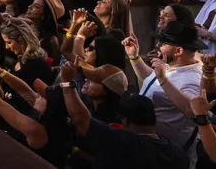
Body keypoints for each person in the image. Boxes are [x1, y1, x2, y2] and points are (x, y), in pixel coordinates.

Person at [61, 62, 189, 169]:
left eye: (95, 81)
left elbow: (81, 120)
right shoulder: (178, 152)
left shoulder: (121, 142)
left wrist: (67, 83)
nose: (87, 80)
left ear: (124, 122)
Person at [124, 21, 207, 158]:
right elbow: (150, 79)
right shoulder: (174, 65)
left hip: (167, 155)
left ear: (178, 51)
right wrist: (134, 57)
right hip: (149, 146)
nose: (158, 46)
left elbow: (192, 110)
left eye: (163, 44)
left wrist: (163, 79)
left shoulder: (193, 79)